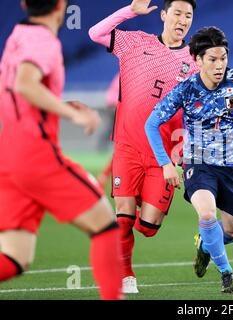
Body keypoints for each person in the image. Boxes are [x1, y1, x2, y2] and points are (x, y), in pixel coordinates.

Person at [145, 27, 233, 293]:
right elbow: (152, 124)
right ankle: (226, 273)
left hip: (232, 167)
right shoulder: (186, 90)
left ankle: (205, 245)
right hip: (198, 164)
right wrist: (165, 163)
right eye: (212, 59)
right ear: (197, 60)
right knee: (207, 213)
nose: (219, 65)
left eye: (223, 58)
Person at [0, 0, 123, 300]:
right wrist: (73, 115)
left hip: (9, 155)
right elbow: (25, 84)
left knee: (16, 258)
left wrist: (58, 108)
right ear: (60, 6)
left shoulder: (17, 36)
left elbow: (20, 95)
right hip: (35, 156)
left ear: (24, 4)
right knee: (106, 226)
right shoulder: (44, 40)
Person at [89, 0, 199, 293]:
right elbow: (95, 34)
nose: (182, 20)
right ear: (163, 15)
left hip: (162, 156)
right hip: (126, 147)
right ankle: (125, 274)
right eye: (177, 13)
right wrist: (130, 11)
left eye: (188, 16)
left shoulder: (195, 61)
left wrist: (186, 156)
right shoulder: (134, 42)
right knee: (123, 215)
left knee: (148, 227)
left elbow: (192, 114)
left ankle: (137, 205)